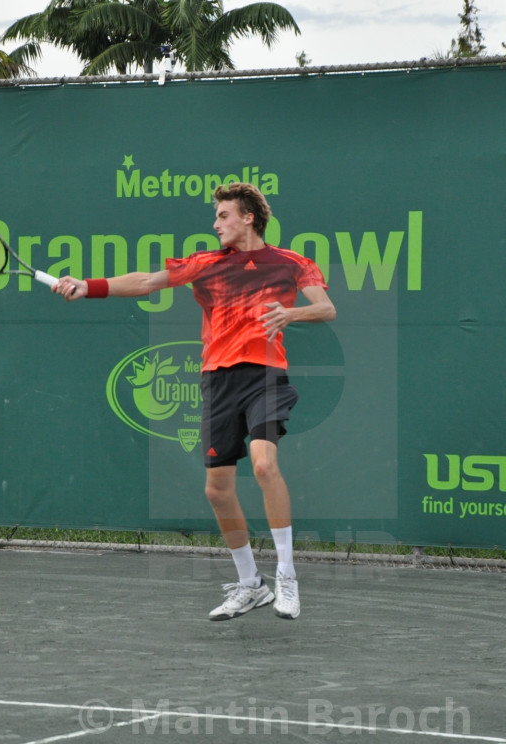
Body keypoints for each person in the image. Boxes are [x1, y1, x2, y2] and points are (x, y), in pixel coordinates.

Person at [52, 182, 336, 621]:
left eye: (223, 215)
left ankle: (286, 576)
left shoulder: (292, 263)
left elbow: (326, 308)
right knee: (217, 490)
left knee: (263, 464)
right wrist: (87, 287)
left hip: (264, 374)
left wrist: (290, 313)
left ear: (248, 217)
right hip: (216, 381)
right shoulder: (205, 264)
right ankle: (250, 585)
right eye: (216, 216)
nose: (215, 223)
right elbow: (146, 281)